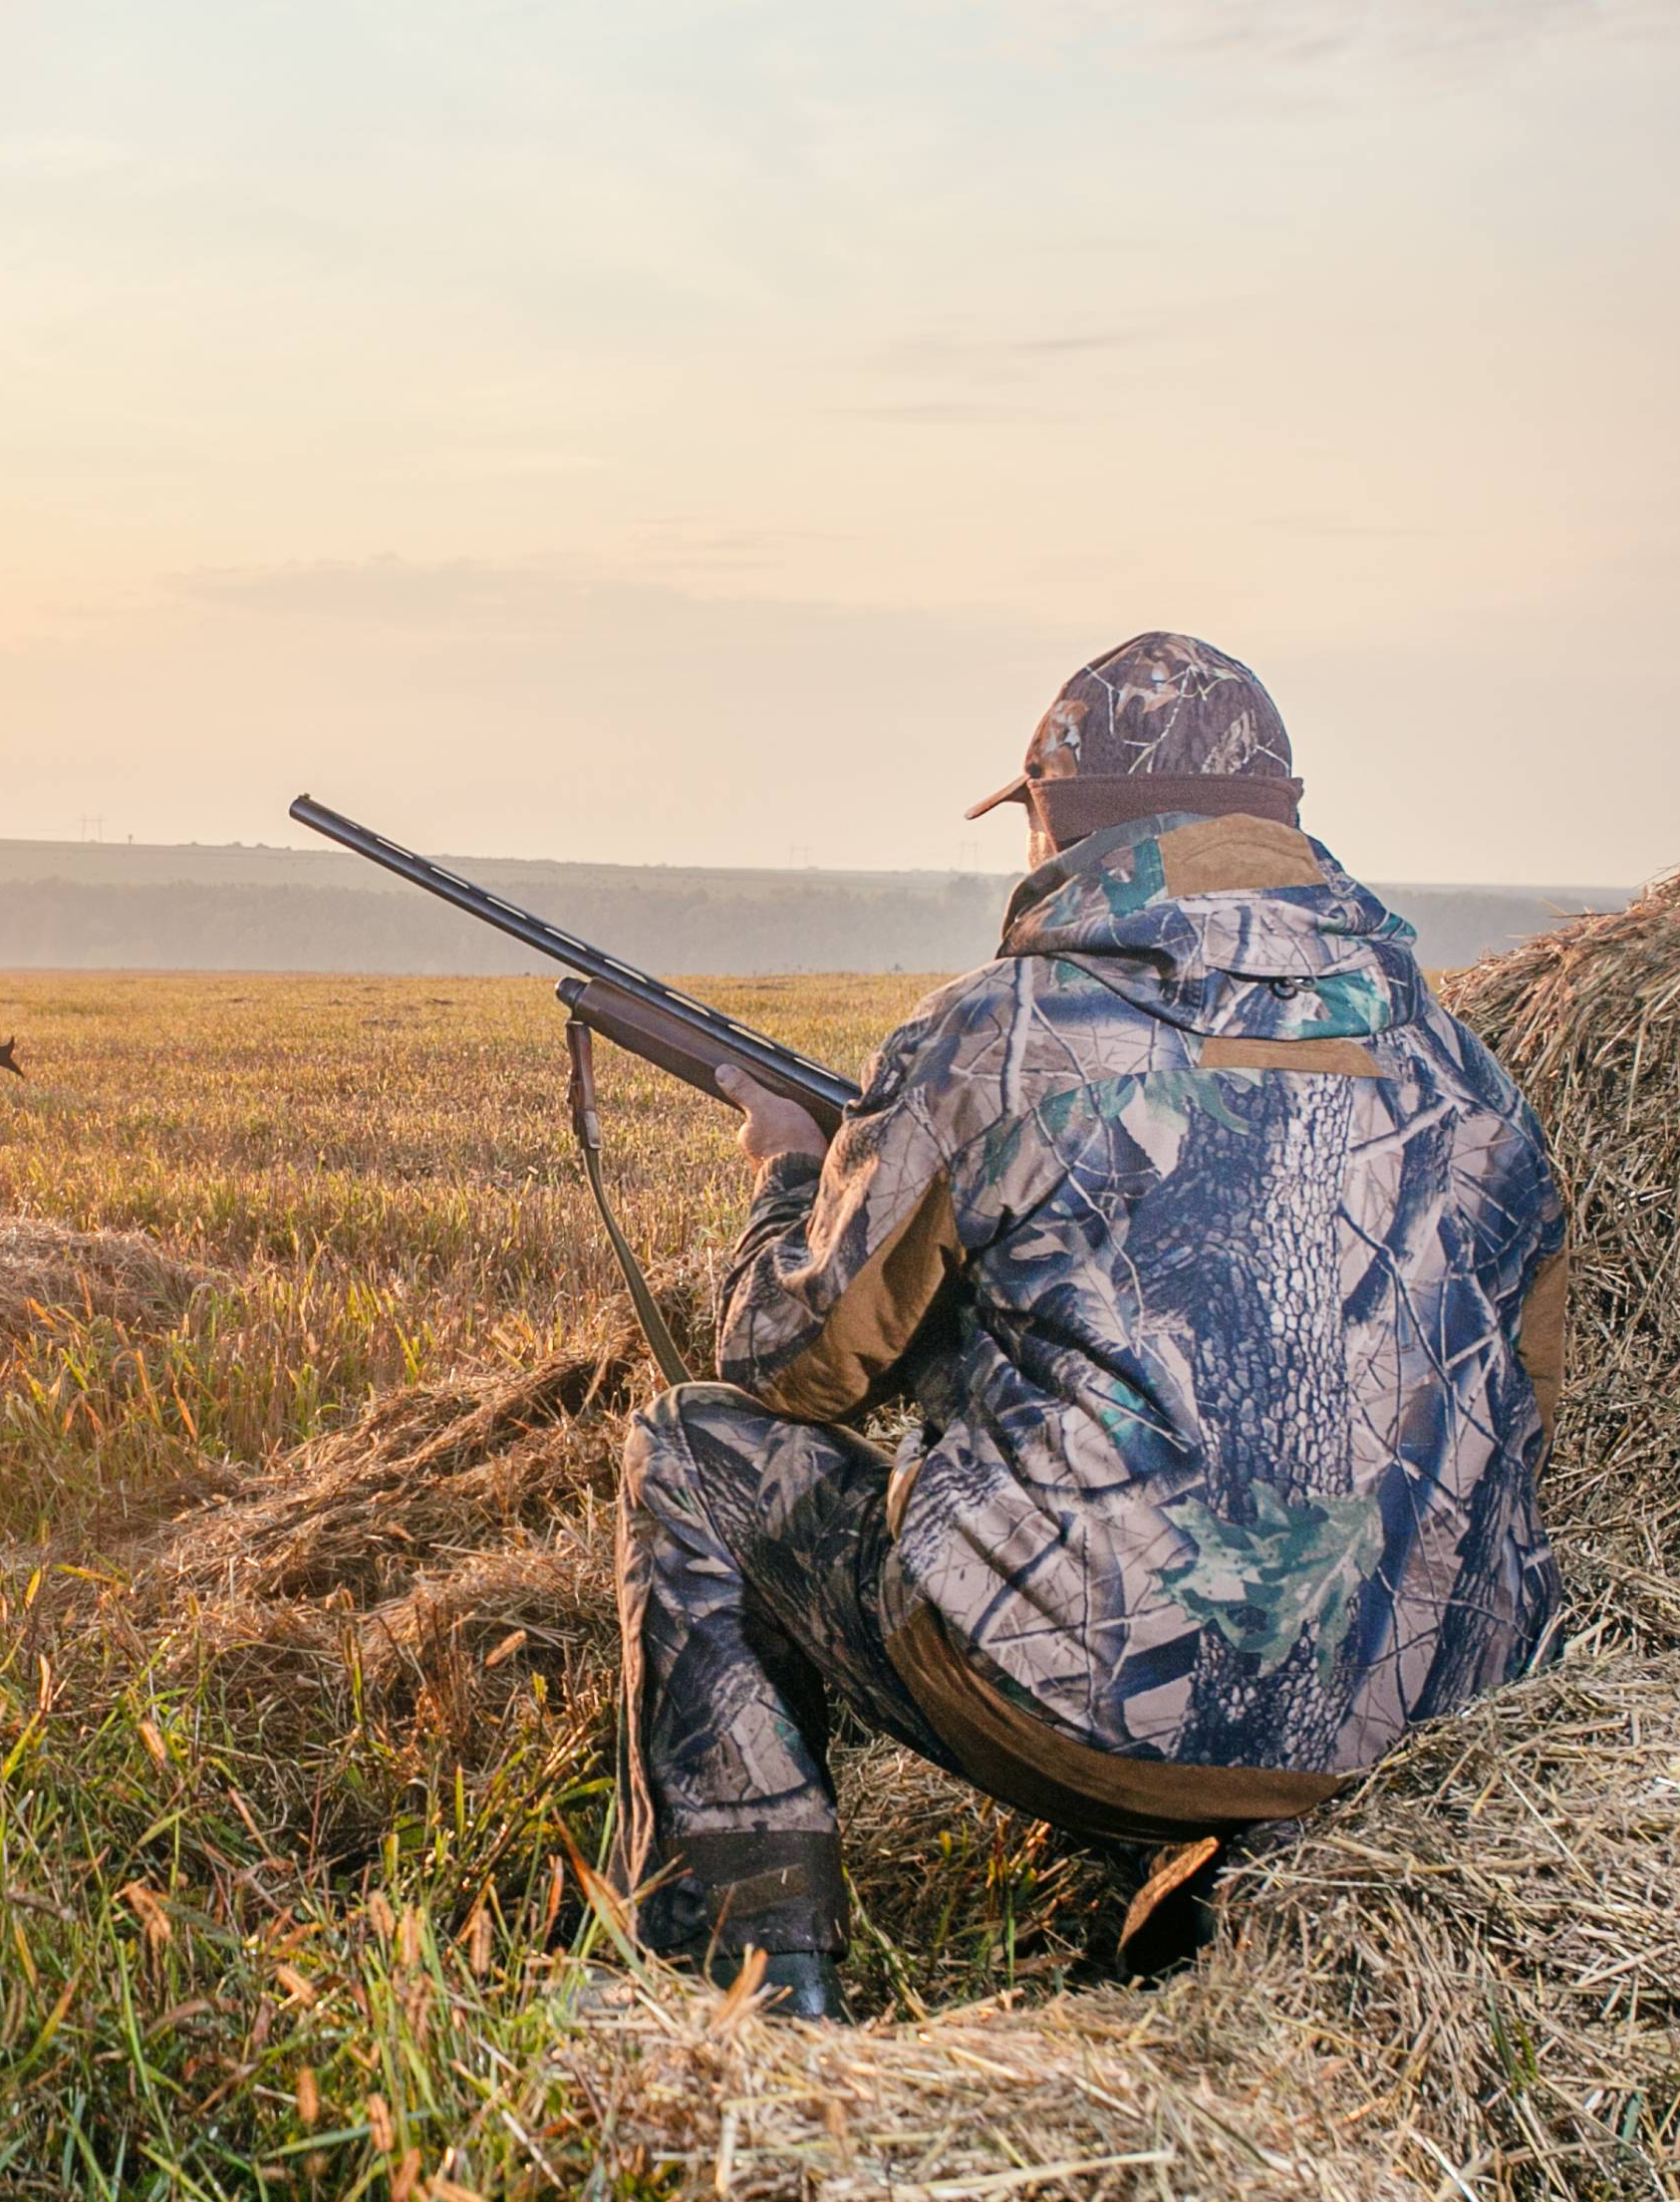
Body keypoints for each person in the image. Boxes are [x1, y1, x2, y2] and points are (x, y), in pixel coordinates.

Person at [614, 632, 1567, 2018]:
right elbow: (1526, 1425)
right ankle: (1242, 1889)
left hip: (1092, 1710)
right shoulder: (1464, 1068)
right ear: (1278, 828)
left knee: (689, 1453)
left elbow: (787, 1361)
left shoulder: (996, 1033)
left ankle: (747, 1997)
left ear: (1059, 826)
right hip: (1416, 1732)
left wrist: (788, 1177)